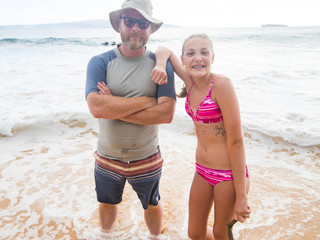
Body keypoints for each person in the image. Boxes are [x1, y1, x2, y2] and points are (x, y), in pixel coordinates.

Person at [85, 0, 176, 238]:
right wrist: (148, 102)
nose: (136, 28)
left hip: (146, 157)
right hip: (107, 156)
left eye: (142, 23)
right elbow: (96, 107)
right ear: (119, 25)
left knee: (152, 203)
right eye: (130, 21)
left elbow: (165, 114)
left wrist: (113, 103)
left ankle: (155, 237)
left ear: (151, 29)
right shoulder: (100, 62)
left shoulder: (161, 66)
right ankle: (105, 235)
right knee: (106, 203)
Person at [151, 34, 251, 239]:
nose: (198, 58)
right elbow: (164, 50)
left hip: (228, 175)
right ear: (184, 59)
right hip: (202, 171)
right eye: (191, 53)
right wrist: (161, 65)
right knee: (195, 233)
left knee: (220, 232)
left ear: (212, 57)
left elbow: (236, 141)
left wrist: (241, 196)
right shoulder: (191, 84)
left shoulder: (222, 85)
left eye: (204, 52)